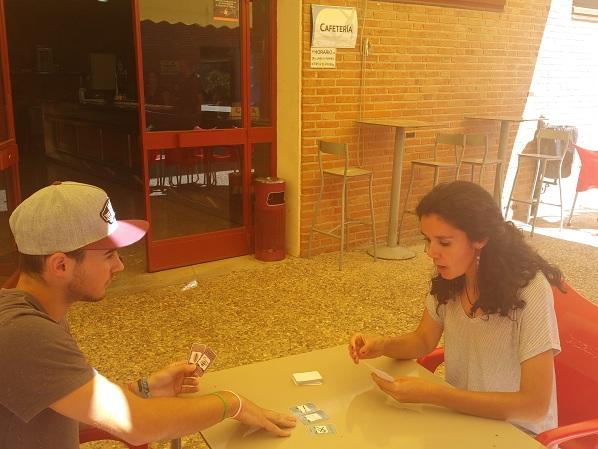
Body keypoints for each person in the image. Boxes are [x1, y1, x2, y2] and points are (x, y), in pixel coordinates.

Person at [0, 181, 296, 448]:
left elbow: (69, 402)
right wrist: (232, 403)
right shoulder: (22, 334)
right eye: (108, 255)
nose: (120, 266)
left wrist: (144, 389)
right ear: (60, 265)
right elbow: (137, 425)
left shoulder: (41, 313)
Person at [349, 181, 563, 435]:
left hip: (518, 433)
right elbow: (422, 340)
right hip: (464, 421)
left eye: (445, 242)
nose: (431, 252)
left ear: (480, 239)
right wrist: (382, 345)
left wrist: (436, 395)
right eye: (428, 240)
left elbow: (534, 407)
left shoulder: (529, 289)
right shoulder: (452, 279)